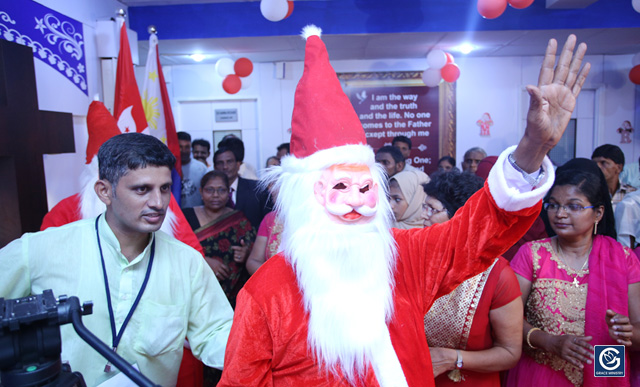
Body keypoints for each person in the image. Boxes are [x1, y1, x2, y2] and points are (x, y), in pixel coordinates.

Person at [218, 26, 590, 387]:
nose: (354, 202)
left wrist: (532, 147)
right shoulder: (266, 293)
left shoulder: (404, 258)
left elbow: (477, 234)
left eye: (364, 187)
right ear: (304, 197)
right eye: (339, 187)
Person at [0, 133, 233, 386]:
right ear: (104, 192)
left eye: (164, 188)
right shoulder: (40, 250)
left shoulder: (188, 262)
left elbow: (216, 334)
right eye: (142, 189)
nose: (158, 203)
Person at [506, 160, 640, 387]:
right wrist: (548, 341)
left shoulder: (623, 259)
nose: (560, 213)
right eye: (554, 205)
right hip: (541, 375)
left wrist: (627, 333)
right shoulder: (532, 255)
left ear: (598, 213)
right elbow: (507, 322)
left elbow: (637, 332)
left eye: (574, 206)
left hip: (604, 370)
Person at [421, 171, 523, 386]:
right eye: (424, 206)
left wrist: (453, 359)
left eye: (432, 209)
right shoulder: (417, 260)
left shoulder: (497, 275)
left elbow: (510, 352)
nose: (423, 215)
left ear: (461, 218)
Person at [182, 170, 256, 308]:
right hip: (195, 291)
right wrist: (204, 261)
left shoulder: (238, 219)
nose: (215, 195)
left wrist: (246, 253)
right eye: (210, 190)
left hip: (231, 297)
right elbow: (176, 251)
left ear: (228, 192)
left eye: (221, 190)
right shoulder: (186, 217)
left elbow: (254, 250)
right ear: (201, 192)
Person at [214, 146, 270, 230]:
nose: (225, 166)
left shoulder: (257, 188)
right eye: (220, 163)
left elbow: (269, 219)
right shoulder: (210, 193)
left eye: (229, 162)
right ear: (215, 167)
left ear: (238, 165)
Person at [591, 144, 637, 210]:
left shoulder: (632, 193)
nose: (597, 167)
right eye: (594, 163)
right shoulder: (589, 193)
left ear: (619, 168)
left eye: (603, 163)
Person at [179, 131, 208, 208]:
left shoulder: (201, 168)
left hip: (198, 214)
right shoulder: (170, 168)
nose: (184, 150)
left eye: (187, 147)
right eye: (180, 147)